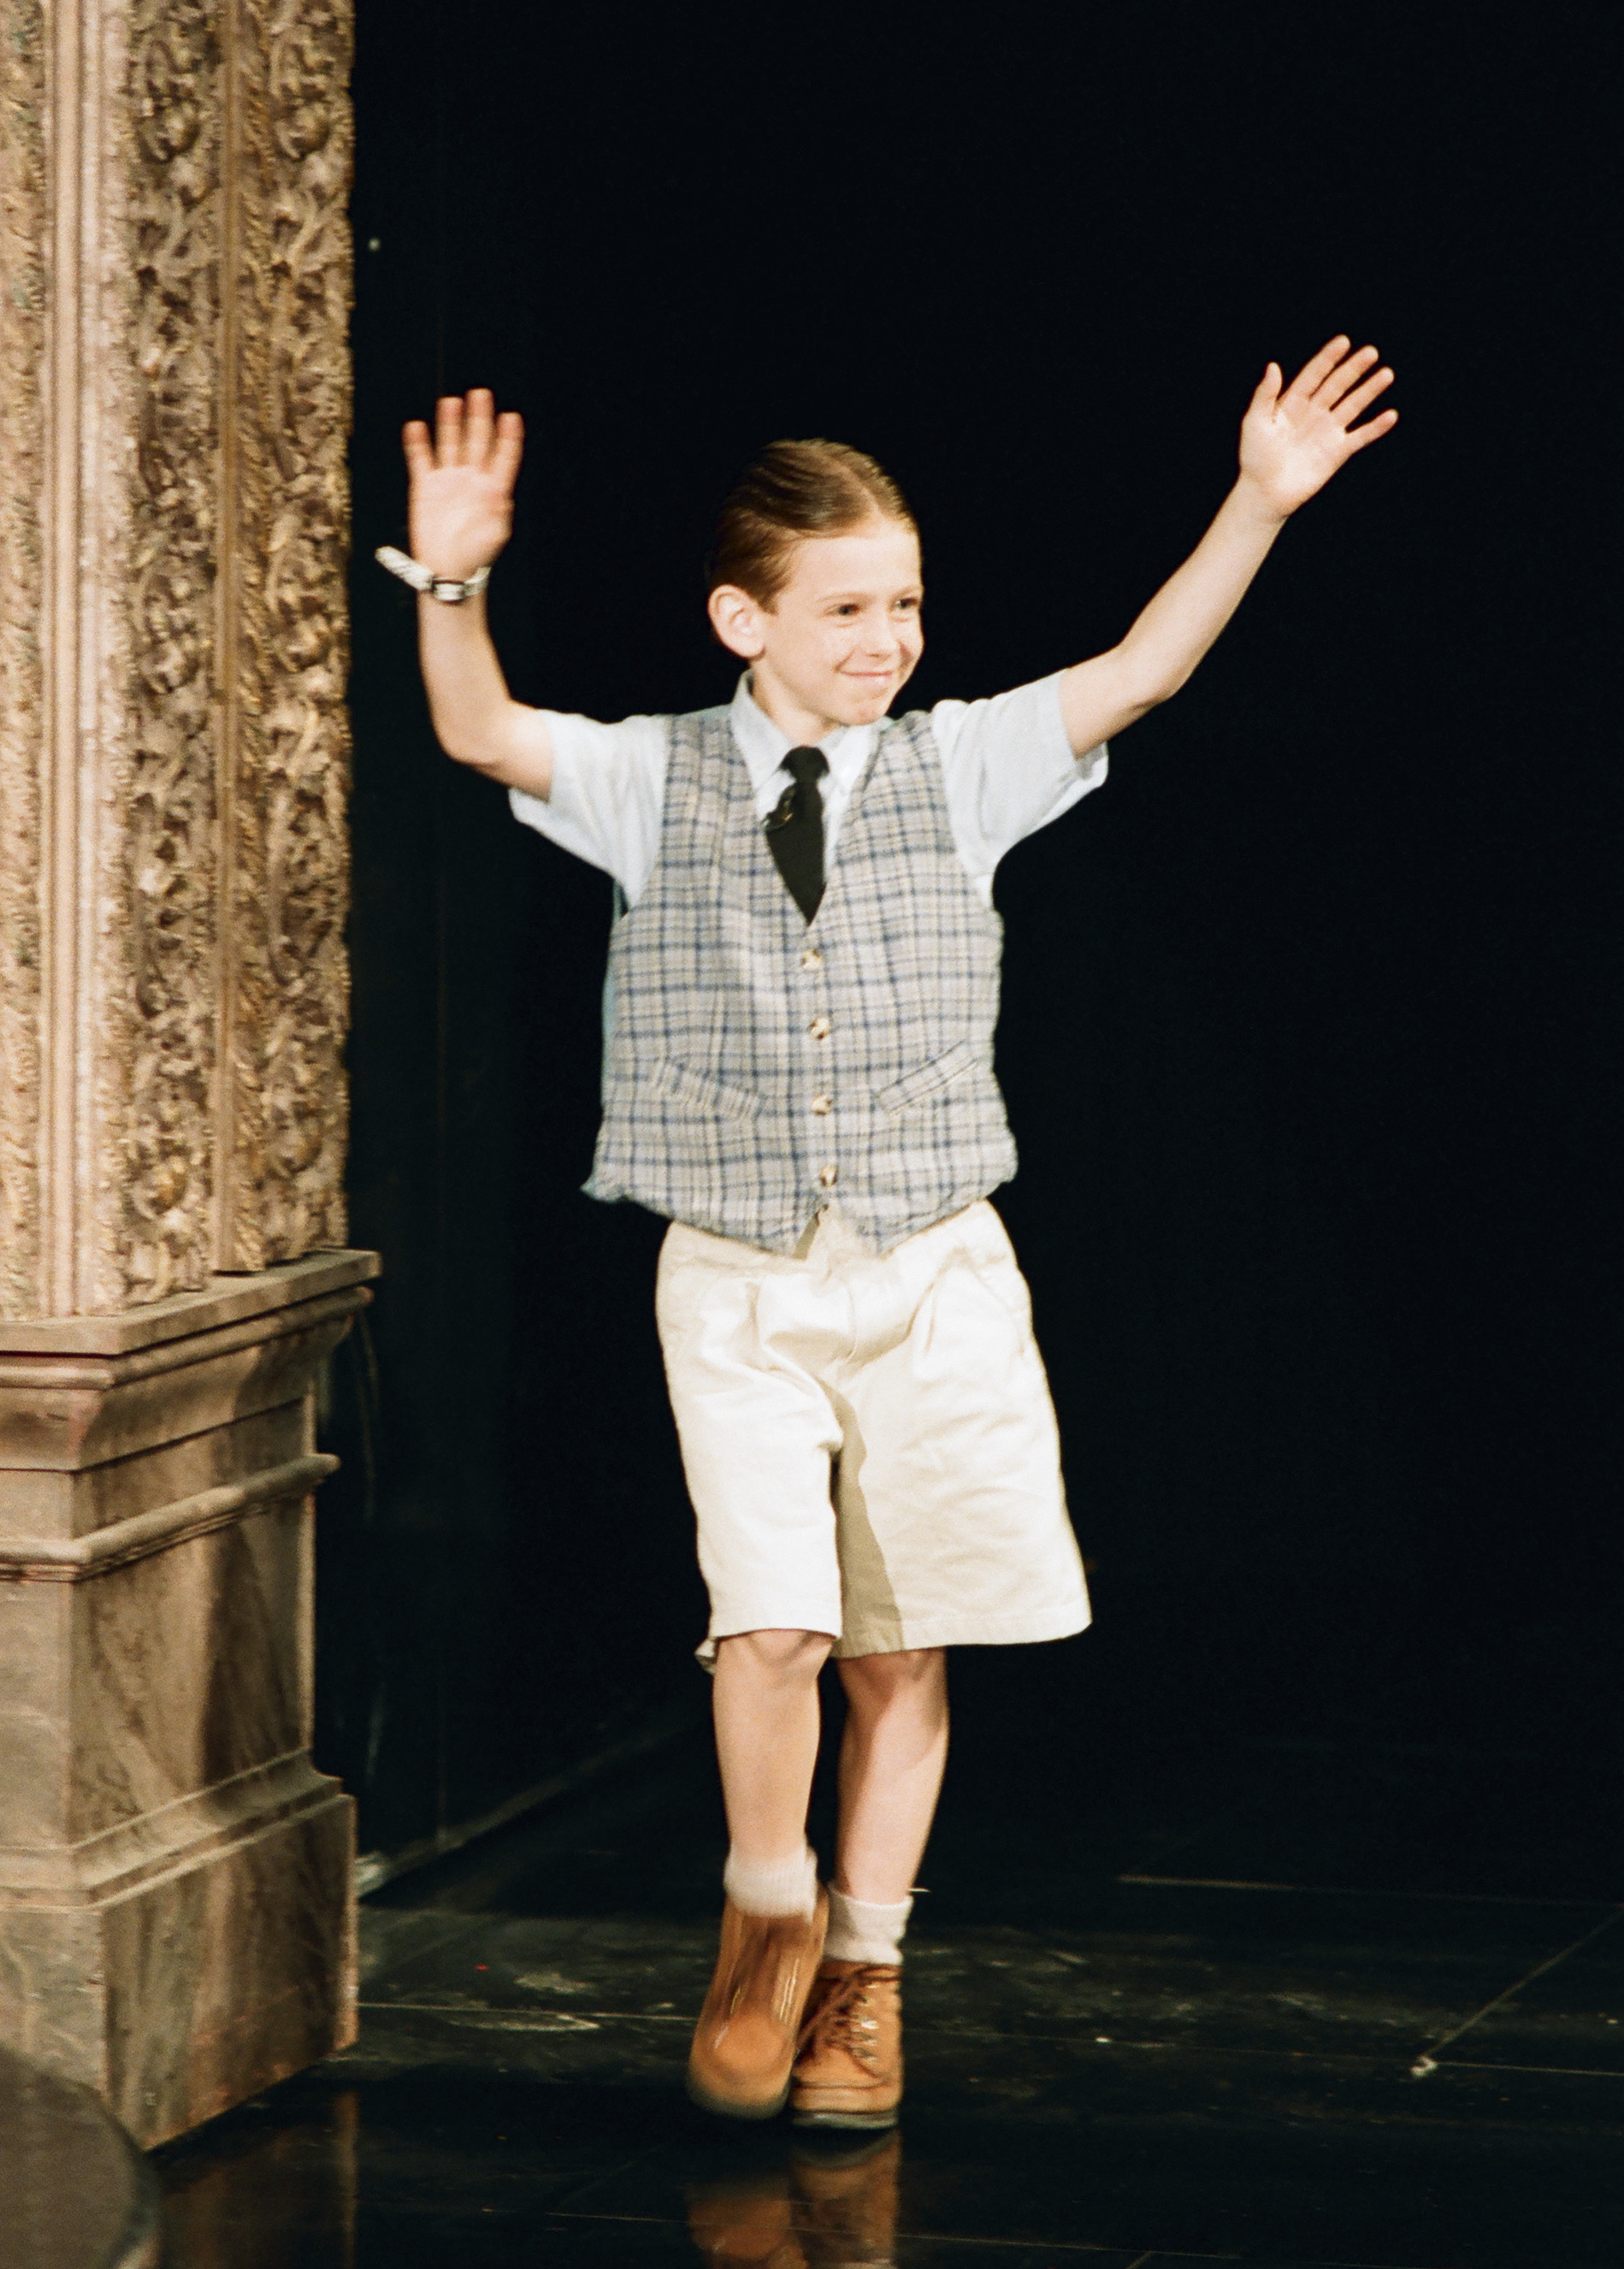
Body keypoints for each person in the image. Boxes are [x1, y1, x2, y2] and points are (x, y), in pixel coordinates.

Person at [389, 339, 1397, 2130]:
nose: (885, 639)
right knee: (767, 1628)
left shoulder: (962, 769)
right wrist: (455, 573)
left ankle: (866, 1970)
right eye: (844, 606)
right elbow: (474, 729)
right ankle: (765, 1918)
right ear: (739, 618)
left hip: (929, 1267)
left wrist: (1257, 496)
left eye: (906, 604)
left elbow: (1145, 670)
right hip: (740, 1273)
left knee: (898, 1642)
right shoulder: (655, 780)